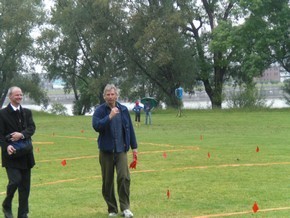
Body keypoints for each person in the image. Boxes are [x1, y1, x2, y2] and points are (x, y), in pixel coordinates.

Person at [92, 84, 138, 218]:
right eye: (108, 95)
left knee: (124, 177)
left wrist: (134, 147)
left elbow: (130, 129)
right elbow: (96, 126)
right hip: (106, 151)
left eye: (113, 94)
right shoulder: (100, 111)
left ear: (117, 95)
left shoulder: (123, 110)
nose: (111, 97)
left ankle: (125, 208)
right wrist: (110, 116)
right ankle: (112, 209)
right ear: (104, 96)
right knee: (108, 181)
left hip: (121, 150)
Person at [0, 86, 36, 218]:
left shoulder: (27, 112)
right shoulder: (2, 114)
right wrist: (6, 146)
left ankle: (23, 214)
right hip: (11, 155)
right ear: (10, 97)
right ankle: (6, 205)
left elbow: (32, 128)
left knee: (25, 188)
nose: (19, 97)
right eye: (17, 95)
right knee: (15, 181)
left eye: (21, 95)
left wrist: (21, 135)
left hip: (26, 154)